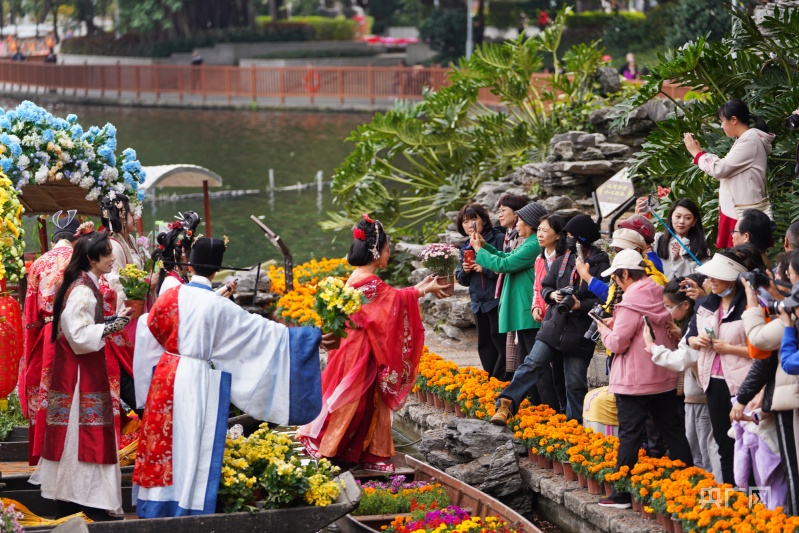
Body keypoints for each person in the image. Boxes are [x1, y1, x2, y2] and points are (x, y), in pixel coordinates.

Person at [133, 236, 342, 517]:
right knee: (191, 439)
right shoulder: (218, 306)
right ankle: (185, 505)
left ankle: (155, 503)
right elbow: (261, 332)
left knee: (165, 439)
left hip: (167, 373)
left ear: (190, 265)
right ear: (216, 270)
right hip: (196, 377)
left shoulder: (170, 295)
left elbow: (151, 329)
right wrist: (311, 337)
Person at [296, 217, 447, 473]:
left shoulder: (361, 277)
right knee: (355, 401)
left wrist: (422, 287)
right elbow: (390, 303)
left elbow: (392, 299)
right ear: (376, 252)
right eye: (387, 250)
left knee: (362, 400)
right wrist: (423, 291)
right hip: (360, 349)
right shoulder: (370, 282)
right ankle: (332, 447)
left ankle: (359, 451)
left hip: (353, 344)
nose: (389, 255)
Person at [29, 223, 133, 521]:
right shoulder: (83, 291)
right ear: (92, 259)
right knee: (83, 435)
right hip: (79, 375)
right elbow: (79, 334)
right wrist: (114, 325)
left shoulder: (81, 285)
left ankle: (77, 498)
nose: (113, 260)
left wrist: (113, 320)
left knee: (79, 436)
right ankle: (86, 500)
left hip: (76, 369)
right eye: (108, 256)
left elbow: (82, 328)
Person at [594, 249, 694, 509]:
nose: (615, 282)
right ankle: (688, 484)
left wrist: (604, 329)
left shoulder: (629, 303)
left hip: (632, 383)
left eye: (616, 277)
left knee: (629, 435)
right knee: (672, 431)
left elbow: (618, 344)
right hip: (662, 377)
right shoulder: (659, 295)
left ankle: (621, 493)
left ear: (625, 274)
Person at [491, 214, 609, 424]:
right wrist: (552, 295)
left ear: (583, 237)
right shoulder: (564, 259)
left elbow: (606, 299)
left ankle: (576, 428)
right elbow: (545, 285)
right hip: (554, 325)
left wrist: (580, 305)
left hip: (579, 333)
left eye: (572, 235)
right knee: (531, 364)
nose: (568, 238)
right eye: (567, 235)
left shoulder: (600, 264)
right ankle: (505, 405)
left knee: (575, 383)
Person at [471, 202, 560, 411]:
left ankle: (549, 408)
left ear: (529, 224)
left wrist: (478, 249)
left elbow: (505, 265)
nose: (517, 224)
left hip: (528, 311)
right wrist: (485, 246)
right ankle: (536, 405)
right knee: (526, 361)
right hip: (523, 311)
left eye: (520, 220)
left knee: (534, 364)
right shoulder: (528, 242)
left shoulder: (531, 245)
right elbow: (506, 258)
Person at [734, 252, 799, 515]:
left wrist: (751, 296)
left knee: (793, 471)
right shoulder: (789, 304)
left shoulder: (790, 316)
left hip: (789, 400)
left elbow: (761, 343)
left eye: (790, 276)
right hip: (785, 397)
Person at [687, 251, 753, 485]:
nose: (710, 281)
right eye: (710, 277)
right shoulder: (705, 304)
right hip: (712, 380)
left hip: (742, 384)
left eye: (716, 277)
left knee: (747, 444)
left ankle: (754, 501)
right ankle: (730, 498)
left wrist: (730, 348)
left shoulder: (750, 305)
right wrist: (695, 342)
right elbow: (691, 336)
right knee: (724, 443)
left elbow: (762, 351)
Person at [19, 210, 80, 466]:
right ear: (75, 238)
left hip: (47, 334)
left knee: (48, 391)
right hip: (76, 333)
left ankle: (48, 451)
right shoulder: (80, 259)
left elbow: (30, 313)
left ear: (55, 238)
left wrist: (30, 347)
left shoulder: (40, 263)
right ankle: (75, 447)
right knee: (75, 390)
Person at [647, 276, 721, 481]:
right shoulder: (691, 325)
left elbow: (681, 359)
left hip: (701, 399)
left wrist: (652, 346)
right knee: (697, 450)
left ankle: (711, 499)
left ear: (686, 304)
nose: (666, 311)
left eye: (669, 306)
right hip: (693, 398)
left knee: (706, 455)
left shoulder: (700, 321)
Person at [684, 99, 775, 248]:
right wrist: (700, 154)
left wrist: (697, 153)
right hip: (741, 208)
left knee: (746, 256)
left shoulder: (749, 141)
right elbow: (727, 167)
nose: (721, 126)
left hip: (744, 212)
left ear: (733, 120)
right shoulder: (746, 139)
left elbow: (720, 169)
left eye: (722, 121)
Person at [455, 203, 507, 379]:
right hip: (478, 302)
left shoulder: (497, 239)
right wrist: (465, 271)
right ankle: (490, 379)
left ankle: (502, 382)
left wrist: (483, 268)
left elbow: (504, 269)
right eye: (465, 221)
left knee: (500, 342)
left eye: (473, 219)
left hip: (496, 299)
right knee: (485, 344)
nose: (469, 224)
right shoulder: (466, 246)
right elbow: (462, 280)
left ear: (483, 220)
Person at [495, 193, 530, 376]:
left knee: (521, 353)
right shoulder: (508, 236)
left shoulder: (525, 239)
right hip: (509, 295)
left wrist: (481, 250)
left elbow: (507, 264)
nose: (499, 214)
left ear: (518, 214)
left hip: (521, 300)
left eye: (503, 210)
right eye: (498, 210)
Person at [650, 198, 710, 281]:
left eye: (687, 218)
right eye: (678, 216)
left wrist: (678, 261)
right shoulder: (657, 239)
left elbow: (700, 278)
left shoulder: (701, 248)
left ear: (694, 221)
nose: (681, 221)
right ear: (671, 217)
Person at [151, 211, 202, 295]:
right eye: (191, 253)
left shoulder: (177, 279)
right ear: (183, 253)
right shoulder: (173, 286)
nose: (193, 258)